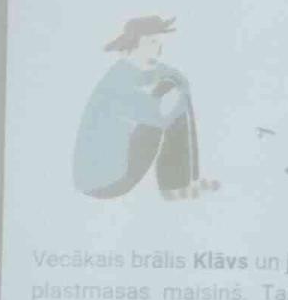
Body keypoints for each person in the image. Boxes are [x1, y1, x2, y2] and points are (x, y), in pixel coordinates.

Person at [74, 16, 215, 199]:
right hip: (107, 181)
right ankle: (177, 185)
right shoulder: (118, 80)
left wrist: (178, 83)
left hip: (99, 178)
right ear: (134, 43)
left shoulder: (129, 70)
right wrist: (177, 92)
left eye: (159, 42)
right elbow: (153, 113)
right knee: (172, 99)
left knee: (174, 92)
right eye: (152, 42)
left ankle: (183, 182)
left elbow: (157, 75)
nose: (158, 48)